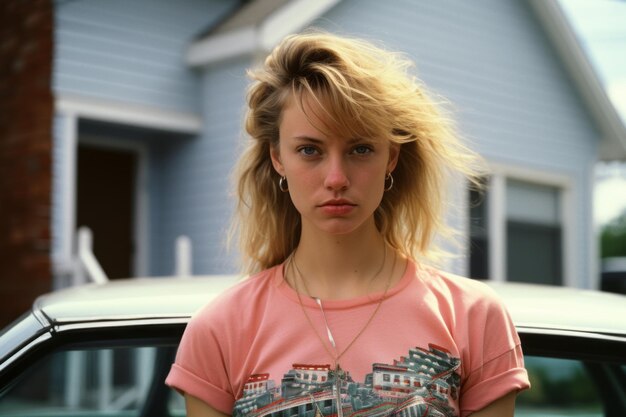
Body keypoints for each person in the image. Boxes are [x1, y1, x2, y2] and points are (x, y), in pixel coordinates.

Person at [166, 30, 530, 417]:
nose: (336, 177)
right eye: (310, 150)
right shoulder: (220, 329)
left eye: (360, 149)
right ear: (277, 158)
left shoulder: (472, 316)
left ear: (391, 156)